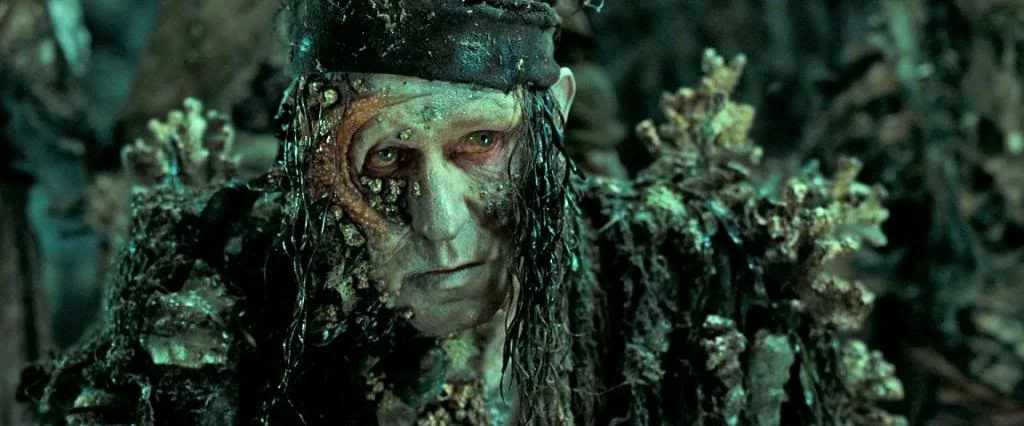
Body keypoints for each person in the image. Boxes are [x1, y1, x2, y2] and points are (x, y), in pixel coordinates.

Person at [20, 1, 905, 424]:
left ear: (553, 115)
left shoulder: (691, 296)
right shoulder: (221, 299)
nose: (441, 226)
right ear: (314, 160)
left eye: (481, 143)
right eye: (385, 161)